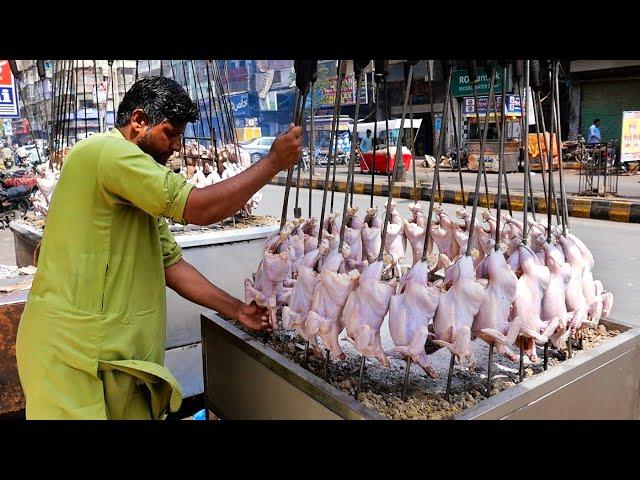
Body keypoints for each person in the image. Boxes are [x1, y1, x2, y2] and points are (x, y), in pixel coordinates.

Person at [16, 77, 302, 420]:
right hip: (74, 361)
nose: (176, 146)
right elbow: (200, 208)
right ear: (139, 122)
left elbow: (172, 265)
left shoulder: (133, 189)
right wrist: (271, 163)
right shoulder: (109, 153)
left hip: (110, 362)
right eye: (170, 133)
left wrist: (238, 310)